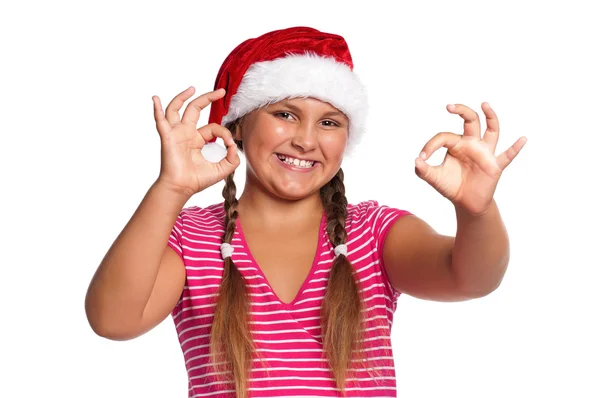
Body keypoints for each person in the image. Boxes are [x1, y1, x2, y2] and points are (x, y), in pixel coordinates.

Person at [85, 26, 527, 398]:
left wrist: (477, 210)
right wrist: (170, 189)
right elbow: (113, 320)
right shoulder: (191, 237)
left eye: (329, 122)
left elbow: (472, 277)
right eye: (285, 114)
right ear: (237, 122)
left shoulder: (373, 232)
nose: (306, 140)